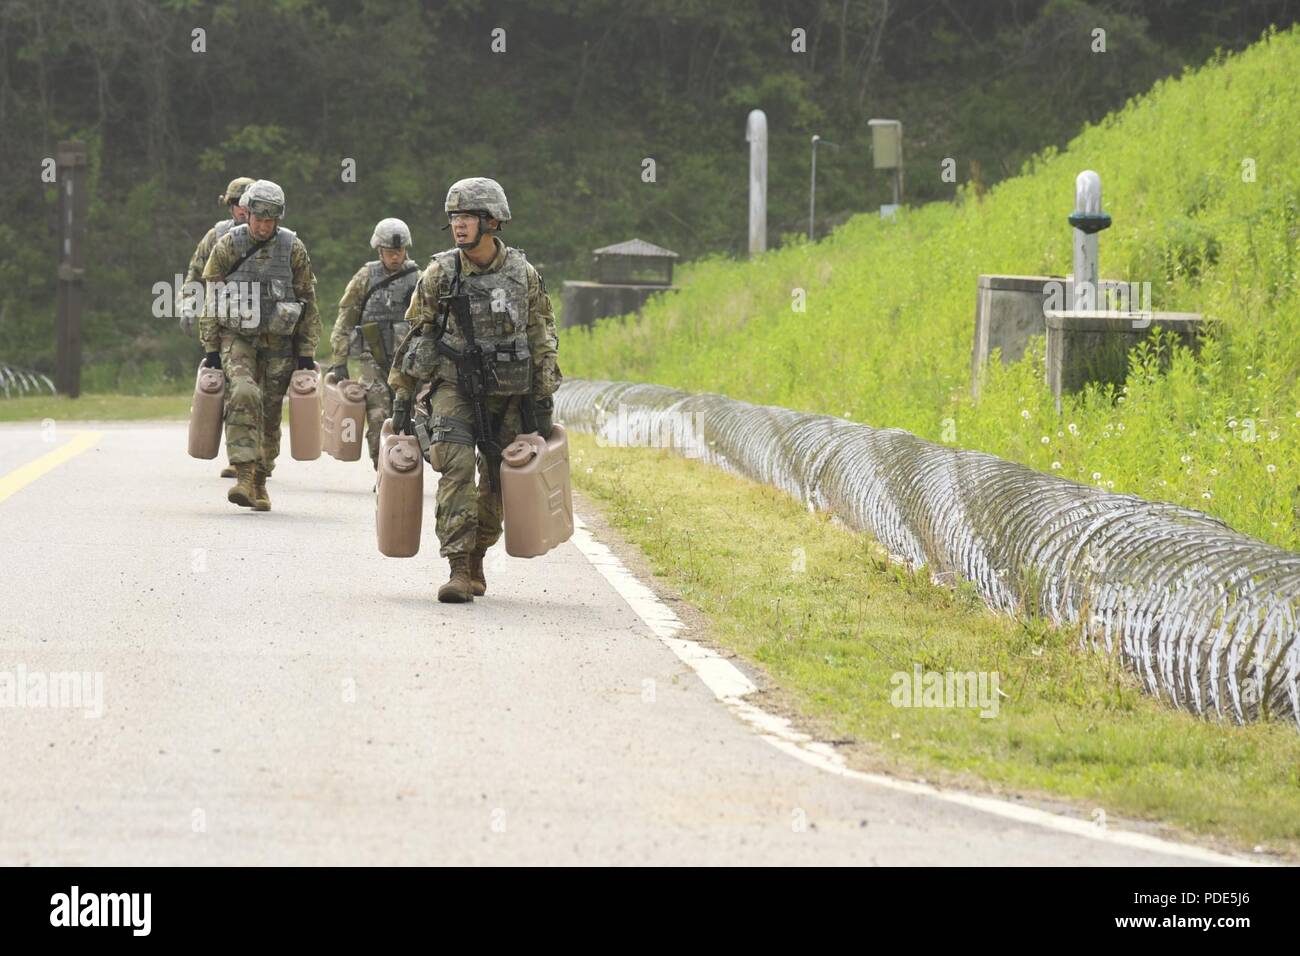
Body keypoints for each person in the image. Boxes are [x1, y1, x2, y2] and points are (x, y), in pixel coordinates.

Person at [388, 177, 561, 602]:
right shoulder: (440, 274)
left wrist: (542, 403)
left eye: (467, 217)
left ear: (492, 221)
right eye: (454, 218)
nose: (459, 225)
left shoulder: (524, 275)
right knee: (457, 467)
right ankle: (459, 568)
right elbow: (416, 337)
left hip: (510, 394)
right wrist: (402, 400)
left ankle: (479, 552)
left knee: (500, 482)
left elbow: (541, 337)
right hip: (454, 388)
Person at [198, 179, 321, 511]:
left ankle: (261, 480)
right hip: (237, 337)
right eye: (258, 219)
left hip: (280, 342)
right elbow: (211, 297)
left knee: (268, 411)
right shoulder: (227, 246)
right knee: (243, 392)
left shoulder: (293, 248)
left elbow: (307, 300)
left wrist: (306, 352)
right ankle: (243, 475)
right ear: (248, 214)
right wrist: (211, 346)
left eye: (270, 221)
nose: (264, 226)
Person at [326, 218, 419, 468]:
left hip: (406, 363)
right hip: (372, 359)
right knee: (378, 416)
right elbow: (345, 319)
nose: (395, 257)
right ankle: (382, 469)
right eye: (390, 252)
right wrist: (339, 361)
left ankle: (402, 468)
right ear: (380, 250)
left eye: (399, 251)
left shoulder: (418, 280)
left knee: (406, 418)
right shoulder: (366, 277)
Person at [183, 176, 254, 479]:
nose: (241, 210)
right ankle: (241, 458)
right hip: (225, 325)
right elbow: (195, 273)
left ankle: (258, 457)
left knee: (259, 394)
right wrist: (188, 304)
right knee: (235, 391)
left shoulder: (272, 238)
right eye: (235, 204)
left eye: (245, 204)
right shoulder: (217, 236)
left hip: (263, 327)